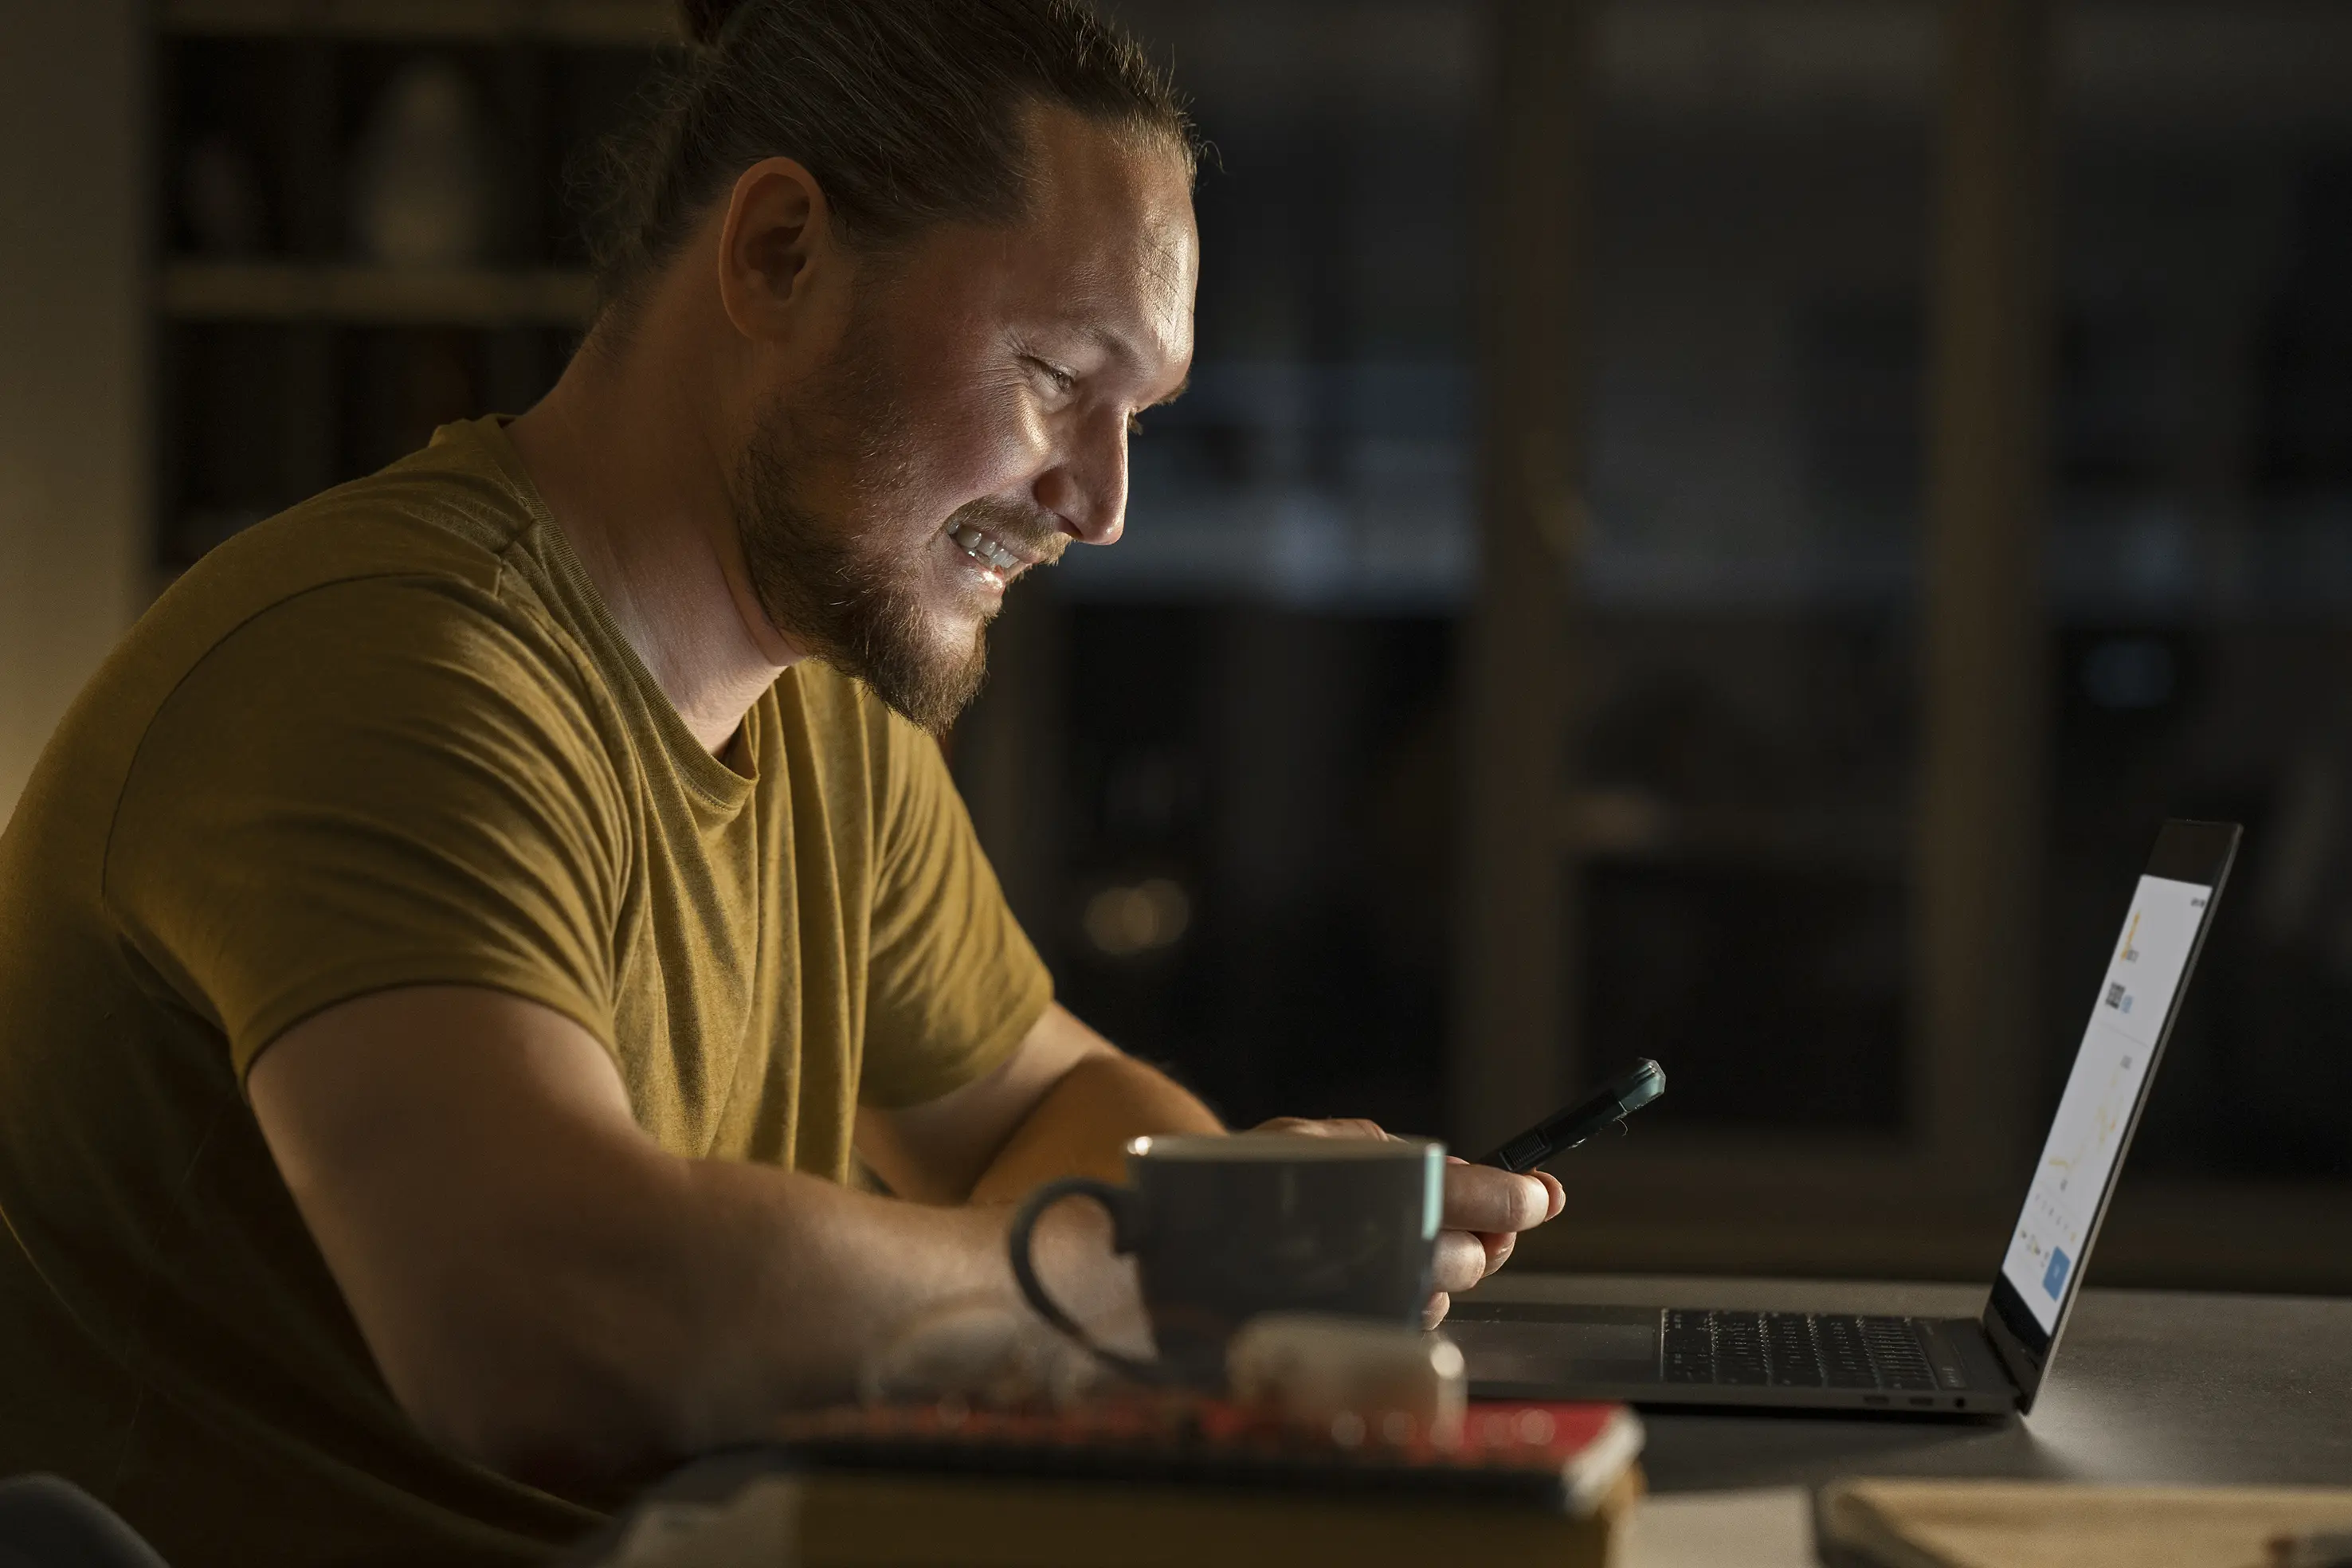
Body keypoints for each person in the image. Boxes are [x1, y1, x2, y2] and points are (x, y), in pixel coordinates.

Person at [0, 2, 1566, 1563]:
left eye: (1136, 420)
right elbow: (538, 1322)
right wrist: (1161, 1277)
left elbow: (1063, 1105)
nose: (1102, 506)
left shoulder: (826, 713)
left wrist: (1188, 1246)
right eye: (1051, 373)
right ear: (778, 256)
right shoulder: (388, 669)